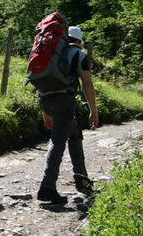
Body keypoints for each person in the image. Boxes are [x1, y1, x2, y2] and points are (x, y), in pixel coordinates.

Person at [37, 25, 99, 204]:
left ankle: (81, 178)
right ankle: (47, 187)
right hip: (65, 100)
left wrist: (45, 112)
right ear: (79, 41)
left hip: (46, 99)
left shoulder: (50, 52)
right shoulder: (79, 54)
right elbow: (87, 84)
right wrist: (93, 111)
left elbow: (41, 81)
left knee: (74, 134)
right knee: (57, 142)